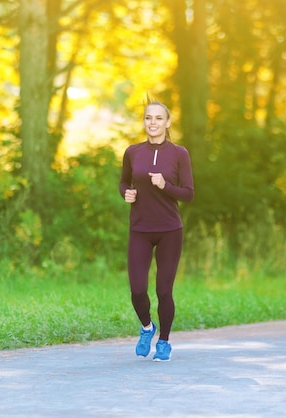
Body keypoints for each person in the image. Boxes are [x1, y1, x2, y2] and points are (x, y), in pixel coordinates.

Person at [119, 100, 194, 361]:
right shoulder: (132, 152)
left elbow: (188, 194)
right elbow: (123, 182)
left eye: (159, 118)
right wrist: (125, 194)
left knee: (164, 290)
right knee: (137, 289)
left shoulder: (179, 153)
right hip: (140, 228)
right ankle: (147, 328)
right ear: (144, 122)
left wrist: (165, 186)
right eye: (148, 118)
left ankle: (164, 341)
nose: (153, 123)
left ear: (168, 122)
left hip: (169, 230)